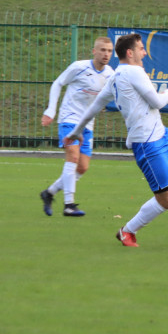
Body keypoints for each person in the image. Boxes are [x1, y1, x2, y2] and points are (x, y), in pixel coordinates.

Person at [64, 33, 168, 248]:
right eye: (141, 48)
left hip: (162, 134)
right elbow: (157, 102)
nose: (145, 52)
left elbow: (94, 107)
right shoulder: (134, 72)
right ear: (130, 53)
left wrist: (76, 131)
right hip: (147, 144)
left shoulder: (115, 77)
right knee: (166, 200)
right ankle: (127, 231)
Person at [39, 37, 115, 217]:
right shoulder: (79, 67)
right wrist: (51, 110)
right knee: (72, 157)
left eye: (109, 51)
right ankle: (69, 204)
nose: (106, 54)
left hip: (88, 123)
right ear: (93, 51)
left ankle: (49, 193)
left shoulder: (110, 74)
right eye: (102, 50)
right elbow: (58, 83)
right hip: (69, 118)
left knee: (82, 168)